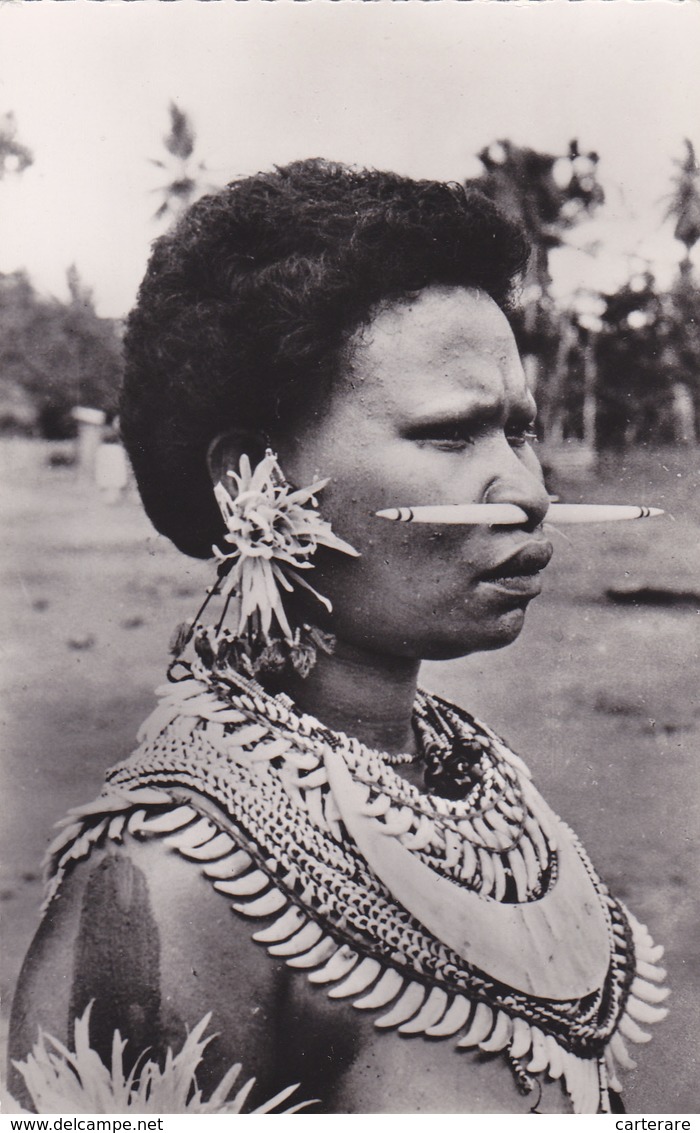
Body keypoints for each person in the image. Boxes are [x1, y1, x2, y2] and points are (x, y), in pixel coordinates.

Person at [8, 160, 668, 1115]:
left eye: (520, 431)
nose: (526, 491)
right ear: (253, 480)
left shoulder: (481, 789)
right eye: (451, 434)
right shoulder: (170, 892)